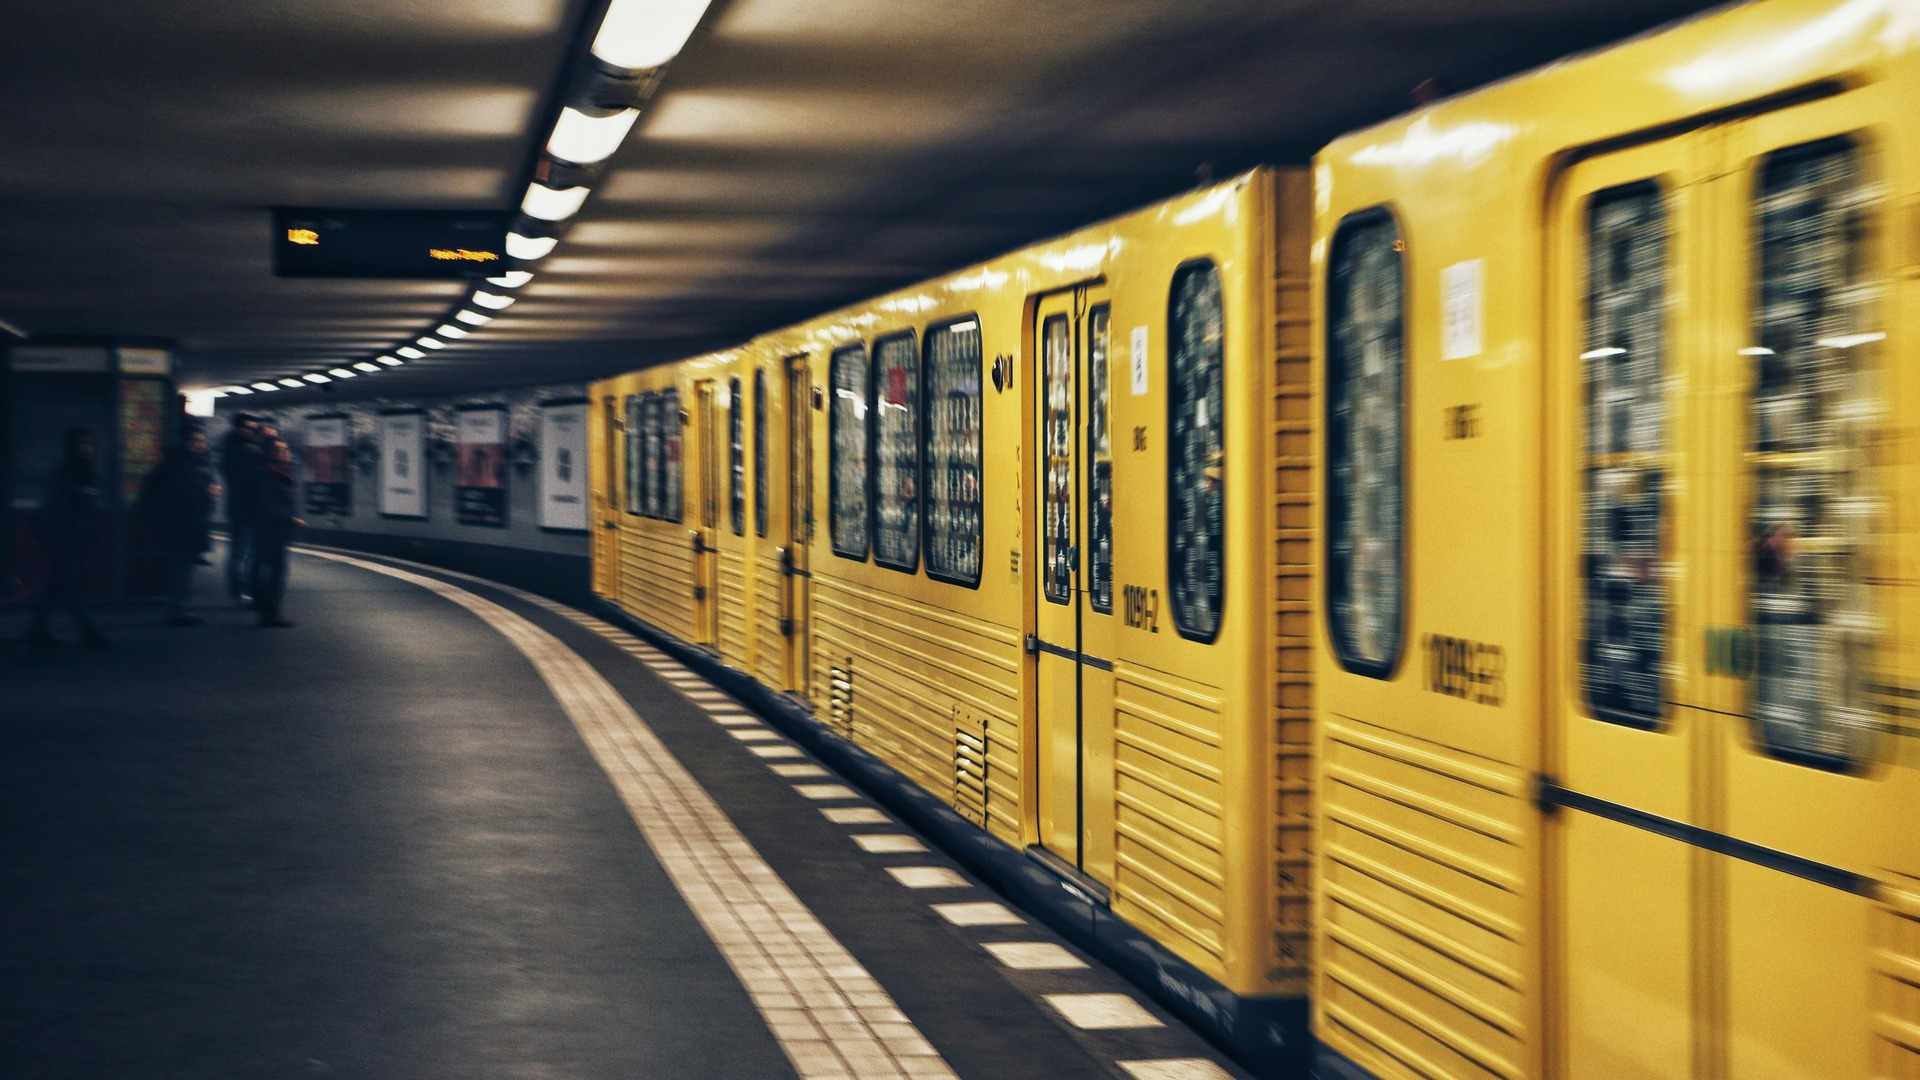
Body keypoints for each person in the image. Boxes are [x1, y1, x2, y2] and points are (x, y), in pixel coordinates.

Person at [24, 426, 108, 647]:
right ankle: (88, 632)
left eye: (89, 443)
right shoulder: (69, 473)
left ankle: (37, 631)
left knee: (56, 586)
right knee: (71, 585)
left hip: (73, 538)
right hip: (64, 538)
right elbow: (61, 507)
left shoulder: (85, 472)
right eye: (83, 443)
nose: (87, 448)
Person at [139, 427, 219, 626]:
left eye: (201, 440)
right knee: (181, 569)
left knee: (184, 568)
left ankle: (178, 608)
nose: (200, 444)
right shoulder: (179, 464)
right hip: (182, 523)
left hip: (190, 522)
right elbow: (183, 493)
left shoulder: (193, 462)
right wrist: (207, 492)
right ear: (185, 442)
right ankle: (175, 610)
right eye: (195, 440)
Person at [250, 438, 304, 628]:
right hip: (270, 530)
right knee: (276, 570)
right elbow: (267, 505)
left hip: (278, 530)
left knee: (273, 569)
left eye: (286, 449)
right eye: (281, 450)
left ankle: (267, 608)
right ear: (272, 453)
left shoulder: (282, 473)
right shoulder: (266, 476)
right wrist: (290, 518)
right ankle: (270, 612)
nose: (285, 452)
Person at [220, 413, 261, 604]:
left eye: (253, 428)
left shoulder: (239, 447)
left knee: (247, 552)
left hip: (249, 508)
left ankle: (245, 589)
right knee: (240, 551)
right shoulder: (236, 449)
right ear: (238, 428)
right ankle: (239, 589)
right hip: (241, 508)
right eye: (248, 428)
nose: (251, 431)